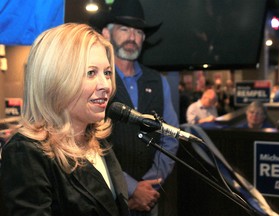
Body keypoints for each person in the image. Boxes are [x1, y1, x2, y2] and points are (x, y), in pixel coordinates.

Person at [0, 23, 129, 216]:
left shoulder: (97, 141)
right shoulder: (26, 153)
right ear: (56, 80)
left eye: (107, 73)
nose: (106, 85)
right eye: (91, 73)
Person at [89, 0, 179, 215]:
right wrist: (131, 187)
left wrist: (150, 183)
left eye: (138, 32)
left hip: (150, 197)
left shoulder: (157, 81)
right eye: (124, 29)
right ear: (107, 34)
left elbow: (170, 136)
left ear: (144, 38)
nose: (132, 37)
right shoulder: (97, 83)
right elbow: (89, 142)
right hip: (106, 198)